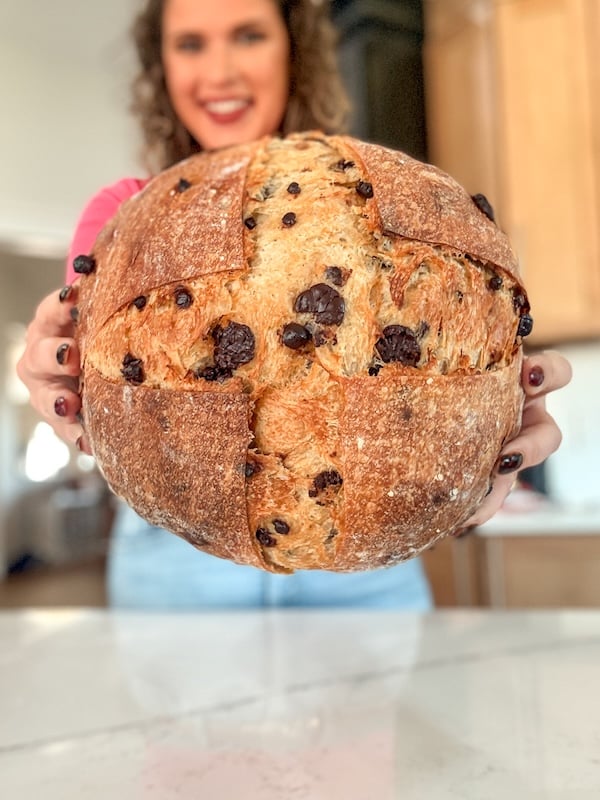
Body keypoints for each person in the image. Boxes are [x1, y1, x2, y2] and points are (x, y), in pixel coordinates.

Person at [16, 0, 572, 609]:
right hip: (177, 570)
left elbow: (481, 371)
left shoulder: (405, 197)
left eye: (248, 35)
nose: (220, 70)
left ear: (294, 50)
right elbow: (85, 371)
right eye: (191, 44)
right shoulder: (122, 225)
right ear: (163, 67)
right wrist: (51, 372)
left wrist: (474, 447)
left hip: (367, 571)